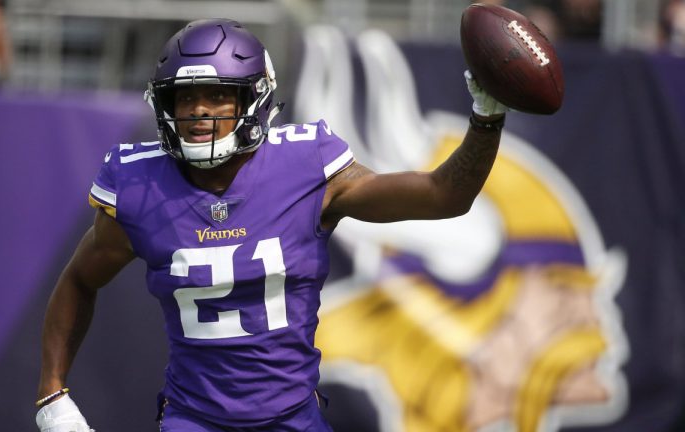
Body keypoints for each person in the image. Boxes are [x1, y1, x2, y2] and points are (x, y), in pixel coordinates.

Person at [35, 18, 508, 432]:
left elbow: (444, 195)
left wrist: (486, 118)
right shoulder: (142, 185)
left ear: (255, 98)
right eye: (186, 96)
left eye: (218, 96)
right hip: (193, 418)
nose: (199, 110)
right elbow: (80, 279)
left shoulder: (307, 166)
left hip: (293, 418)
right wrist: (52, 395)